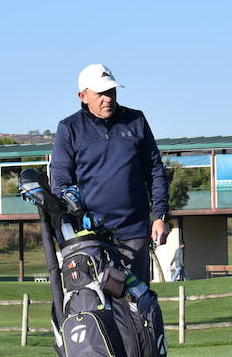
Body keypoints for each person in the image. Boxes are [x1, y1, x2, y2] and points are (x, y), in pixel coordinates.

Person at [50, 64, 169, 285]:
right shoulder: (69, 128)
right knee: (97, 303)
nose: (108, 98)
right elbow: (60, 182)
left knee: (137, 303)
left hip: (134, 231)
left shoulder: (136, 120)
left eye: (111, 92)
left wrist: (160, 217)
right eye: (100, 94)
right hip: (89, 236)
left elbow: (155, 170)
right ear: (82, 96)